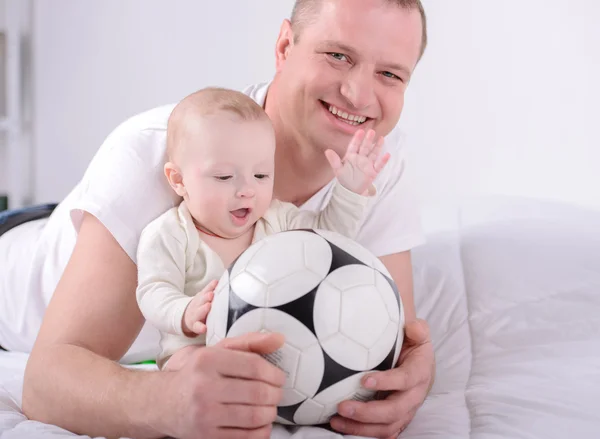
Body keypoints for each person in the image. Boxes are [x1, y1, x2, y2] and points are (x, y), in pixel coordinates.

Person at [0, 0, 436, 438]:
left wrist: (413, 379)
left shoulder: (377, 163)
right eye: (338, 55)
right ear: (285, 46)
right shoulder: (156, 155)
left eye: (390, 74)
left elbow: (396, 336)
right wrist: (167, 400)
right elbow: (43, 386)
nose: (358, 95)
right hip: (15, 261)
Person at [136, 86, 390, 371]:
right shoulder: (171, 233)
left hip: (268, 351)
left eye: (260, 175)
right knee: (189, 367)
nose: (246, 190)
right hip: (196, 350)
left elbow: (328, 242)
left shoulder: (278, 220)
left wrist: (349, 191)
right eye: (224, 176)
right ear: (178, 179)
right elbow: (153, 291)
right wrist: (184, 311)